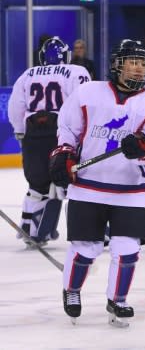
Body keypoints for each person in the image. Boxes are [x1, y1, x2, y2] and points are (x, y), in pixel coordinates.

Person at [50, 39, 145, 326]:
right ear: (117, 64)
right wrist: (64, 154)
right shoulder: (88, 92)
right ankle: (73, 290)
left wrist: (142, 149)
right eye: (132, 62)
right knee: (86, 247)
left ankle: (117, 300)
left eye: (143, 63)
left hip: (132, 190)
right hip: (88, 186)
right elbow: (68, 129)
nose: (138, 68)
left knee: (127, 248)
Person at [8, 37, 91, 246]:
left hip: (33, 132)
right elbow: (86, 102)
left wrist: (20, 131)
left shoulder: (28, 74)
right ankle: (90, 230)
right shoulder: (75, 72)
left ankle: (30, 227)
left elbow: (15, 106)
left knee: (37, 184)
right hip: (60, 132)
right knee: (71, 183)